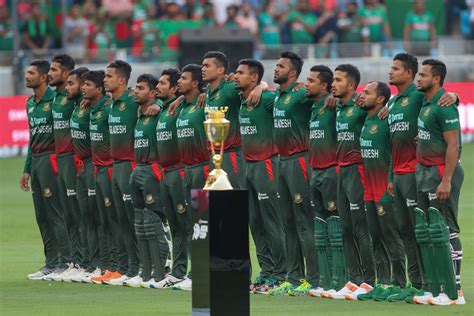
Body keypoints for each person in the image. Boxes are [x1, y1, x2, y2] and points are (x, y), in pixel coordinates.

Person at [385, 52, 458, 303]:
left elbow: (446, 101)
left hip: (420, 172)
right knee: (407, 230)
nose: (390, 71)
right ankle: (417, 283)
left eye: (395, 68)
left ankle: (437, 284)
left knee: (430, 229)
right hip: (402, 174)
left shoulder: (420, 97)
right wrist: (390, 174)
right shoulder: (394, 103)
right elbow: (393, 141)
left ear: (409, 73)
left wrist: (456, 95)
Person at [413, 59, 465, 305]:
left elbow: (453, 145)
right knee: (430, 230)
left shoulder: (444, 105)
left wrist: (446, 180)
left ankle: (456, 291)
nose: (418, 78)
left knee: (447, 229)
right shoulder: (426, 102)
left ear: (436, 79)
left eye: (422, 75)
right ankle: (438, 288)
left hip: (441, 173)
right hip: (425, 171)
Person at [102, 60, 159, 285]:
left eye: (109, 76)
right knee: (120, 220)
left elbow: (156, 101)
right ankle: (128, 267)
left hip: (130, 165)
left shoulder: (132, 100)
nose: (105, 79)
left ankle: (144, 267)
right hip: (115, 166)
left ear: (122, 80)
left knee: (134, 219)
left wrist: (160, 106)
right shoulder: (112, 104)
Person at [269, 51, 318, 296]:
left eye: (281, 66)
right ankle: (294, 276)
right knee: (287, 222)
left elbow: (326, 96)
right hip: (281, 162)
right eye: (276, 65)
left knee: (304, 223)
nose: (276, 69)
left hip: (299, 160)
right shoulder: (278, 96)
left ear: (293, 72)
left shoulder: (300, 94)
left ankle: (314, 278)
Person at [234, 59, 285, 294]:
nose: (236, 76)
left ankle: (280, 273)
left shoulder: (264, 99)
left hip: (267, 164)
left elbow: (282, 100)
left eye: (241, 73)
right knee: (255, 223)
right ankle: (265, 271)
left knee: (272, 222)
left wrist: (263, 87)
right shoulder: (242, 101)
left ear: (253, 78)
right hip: (248, 167)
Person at [324, 63, 375, 299]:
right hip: (341, 171)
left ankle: (369, 280)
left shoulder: (361, 106)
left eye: (338, 80)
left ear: (352, 85)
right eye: (333, 80)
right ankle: (353, 280)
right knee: (345, 227)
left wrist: (454, 97)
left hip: (358, 171)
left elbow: (385, 107)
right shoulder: (338, 107)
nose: (333, 84)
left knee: (360, 228)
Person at [352, 81, 406, 301]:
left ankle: (400, 283)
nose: (361, 95)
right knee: (376, 238)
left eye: (367, 92)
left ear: (381, 99)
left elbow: (395, 152)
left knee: (392, 238)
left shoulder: (386, 120)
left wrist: (392, 180)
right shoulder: (366, 119)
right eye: (362, 91)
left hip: (385, 190)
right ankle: (382, 283)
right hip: (369, 192)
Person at [21, 59, 71, 280]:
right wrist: (27, 169)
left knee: (55, 213)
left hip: (52, 159)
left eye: (31, 73)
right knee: (41, 215)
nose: (27, 76)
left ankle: (65, 262)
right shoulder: (29, 103)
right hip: (37, 160)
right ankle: (50, 262)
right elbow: (33, 137)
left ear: (43, 78)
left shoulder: (57, 100)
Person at [303, 65, 343, 298]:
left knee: (336, 227)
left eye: (311, 80)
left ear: (325, 86)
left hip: (330, 171)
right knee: (321, 229)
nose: (307, 84)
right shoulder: (313, 106)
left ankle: (343, 278)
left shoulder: (333, 105)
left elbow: (357, 101)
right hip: (314, 171)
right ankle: (327, 279)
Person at [128, 74, 169, 287]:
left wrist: (160, 104)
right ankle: (145, 272)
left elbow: (170, 103)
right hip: (137, 169)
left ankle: (161, 271)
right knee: (140, 223)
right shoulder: (140, 113)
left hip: (152, 169)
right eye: (136, 87)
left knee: (154, 222)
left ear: (153, 93)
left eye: (141, 88)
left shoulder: (158, 112)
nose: (136, 91)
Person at [48, 54, 85, 281]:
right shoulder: (56, 98)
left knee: (79, 212)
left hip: (74, 159)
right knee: (68, 213)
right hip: (60, 160)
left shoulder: (77, 99)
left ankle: (84, 261)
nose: (50, 74)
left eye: (54, 69)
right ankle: (75, 260)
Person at [201, 51, 262, 189]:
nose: (202, 69)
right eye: (202, 66)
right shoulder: (208, 91)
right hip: (212, 155)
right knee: (212, 200)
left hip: (230, 154)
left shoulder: (230, 88)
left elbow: (254, 84)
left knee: (233, 197)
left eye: (207, 66)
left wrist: (259, 87)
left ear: (220, 70)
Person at [151, 69, 190, 289]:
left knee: (189, 225)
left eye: (163, 83)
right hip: (166, 173)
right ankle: (178, 272)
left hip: (181, 171)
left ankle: (196, 272)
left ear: (175, 88)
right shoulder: (164, 108)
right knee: (175, 225)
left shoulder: (182, 107)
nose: (158, 87)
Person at [83, 70, 122, 284]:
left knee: (115, 220)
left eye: (87, 84)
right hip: (97, 169)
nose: (82, 88)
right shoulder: (93, 109)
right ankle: (110, 266)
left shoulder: (110, 107)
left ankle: (120, 266)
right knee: (104, 221)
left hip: (111, 168)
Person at [66, 66, 104, 282]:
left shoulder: (96, 108)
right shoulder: (79, 107)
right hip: (81, 165)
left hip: (94, 164)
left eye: (83, 83)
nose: (80, 87)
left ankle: (102, 263)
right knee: (85, 217)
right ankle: (89, 263)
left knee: (97, 216)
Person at [174, 64, 209, 291]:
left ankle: (202, 274)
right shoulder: (182, 107)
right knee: (192, 224)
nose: (179, 82)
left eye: (184, 78)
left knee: (203, 223)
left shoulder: (204, 104)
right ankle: (195, 272)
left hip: (203, 168)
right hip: (187, 170)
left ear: (195, 83)